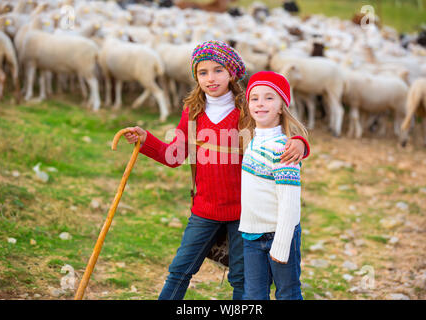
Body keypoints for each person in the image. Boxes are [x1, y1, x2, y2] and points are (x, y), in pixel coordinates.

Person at [123, 40, 310, 300]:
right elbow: (174, 155)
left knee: (242, 279)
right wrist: (146, 140)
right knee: (180, 269)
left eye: (218, 70)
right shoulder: (193, 112)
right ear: (196, 76)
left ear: (232, 73)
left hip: (243, 213)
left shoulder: (247, 109)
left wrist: (300, 143)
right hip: (205, 209)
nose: (211, 78)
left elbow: (279, 132)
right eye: (203, 72)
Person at [239, 71, 306, 300]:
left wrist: (281, 243)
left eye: (269, 98)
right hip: (251, 235)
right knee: (253, 297)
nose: (260, 103)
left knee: (287, 293)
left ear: (281, 107)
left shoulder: (282, 149)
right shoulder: (253, 141)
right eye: (254, 98)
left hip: (278, 234)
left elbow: (289, 203)